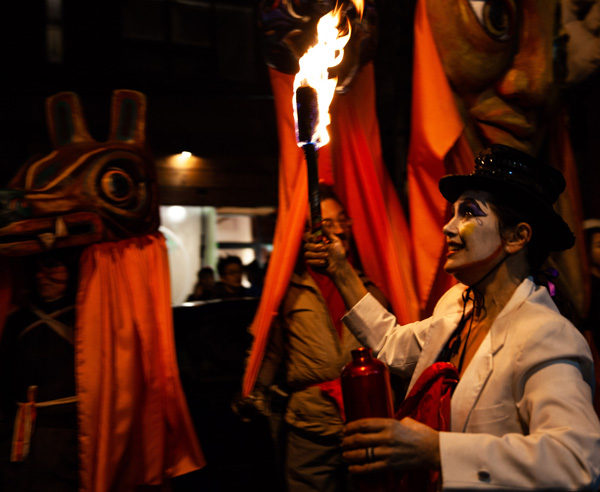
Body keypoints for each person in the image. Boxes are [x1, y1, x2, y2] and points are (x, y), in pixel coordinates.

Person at [305, 145, 600, 490]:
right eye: (452, 214)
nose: (448, 227)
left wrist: (436, 450)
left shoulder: (545, 335)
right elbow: (391, 344)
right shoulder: (457, 305)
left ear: (517, 237)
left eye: (469, 214)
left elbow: (578, 461)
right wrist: (340, 270)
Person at [241, 184, 389, 492]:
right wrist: (254, 391)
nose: (338, 231)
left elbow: (393, 350)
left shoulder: (369, 290)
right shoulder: (290, 292)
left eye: (342, 221)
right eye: (327, 224)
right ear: (306, 235)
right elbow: (272, 350)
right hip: (310, 425)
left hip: (365, 420)